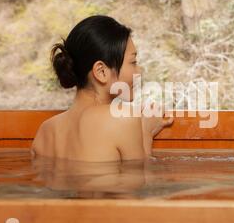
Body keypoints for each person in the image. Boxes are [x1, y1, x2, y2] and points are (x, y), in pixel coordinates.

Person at [31, 15, 173, 162]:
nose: (139, 71)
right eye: (133, 62)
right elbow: (139, 182)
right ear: (101, 72)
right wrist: (146, 132)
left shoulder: (45, 131)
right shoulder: (121, 118)